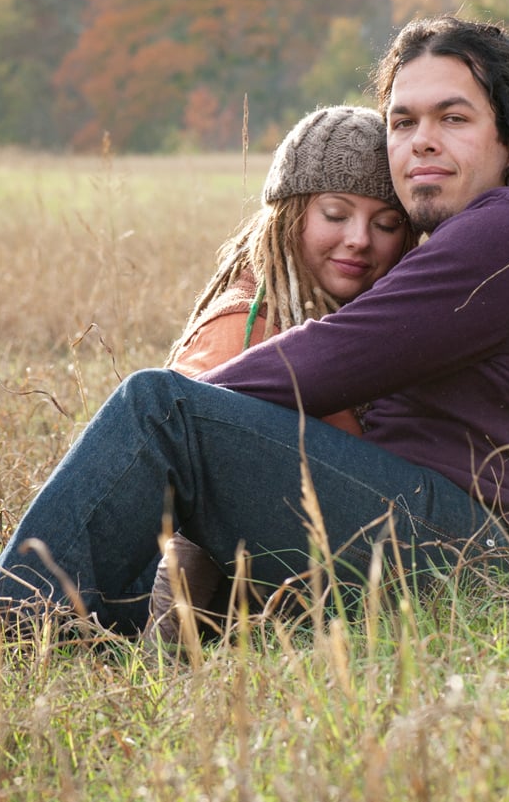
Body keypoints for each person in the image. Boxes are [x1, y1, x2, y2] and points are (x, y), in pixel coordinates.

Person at [0, 15, 509, 643]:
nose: (421, 143)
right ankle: (30, 613)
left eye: (453, 119)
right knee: (178, 450)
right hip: (470, 539)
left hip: (485, 556)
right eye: (403, 123)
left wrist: (192, 417)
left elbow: (330, 359)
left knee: (157, 407)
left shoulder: (508, 227)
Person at [150, 104, 413, 644]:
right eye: (336, 215)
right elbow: (183, 475)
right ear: (290, 216)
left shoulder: (378, 326)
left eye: (386, 224)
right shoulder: (247, 325)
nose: (360, 239)